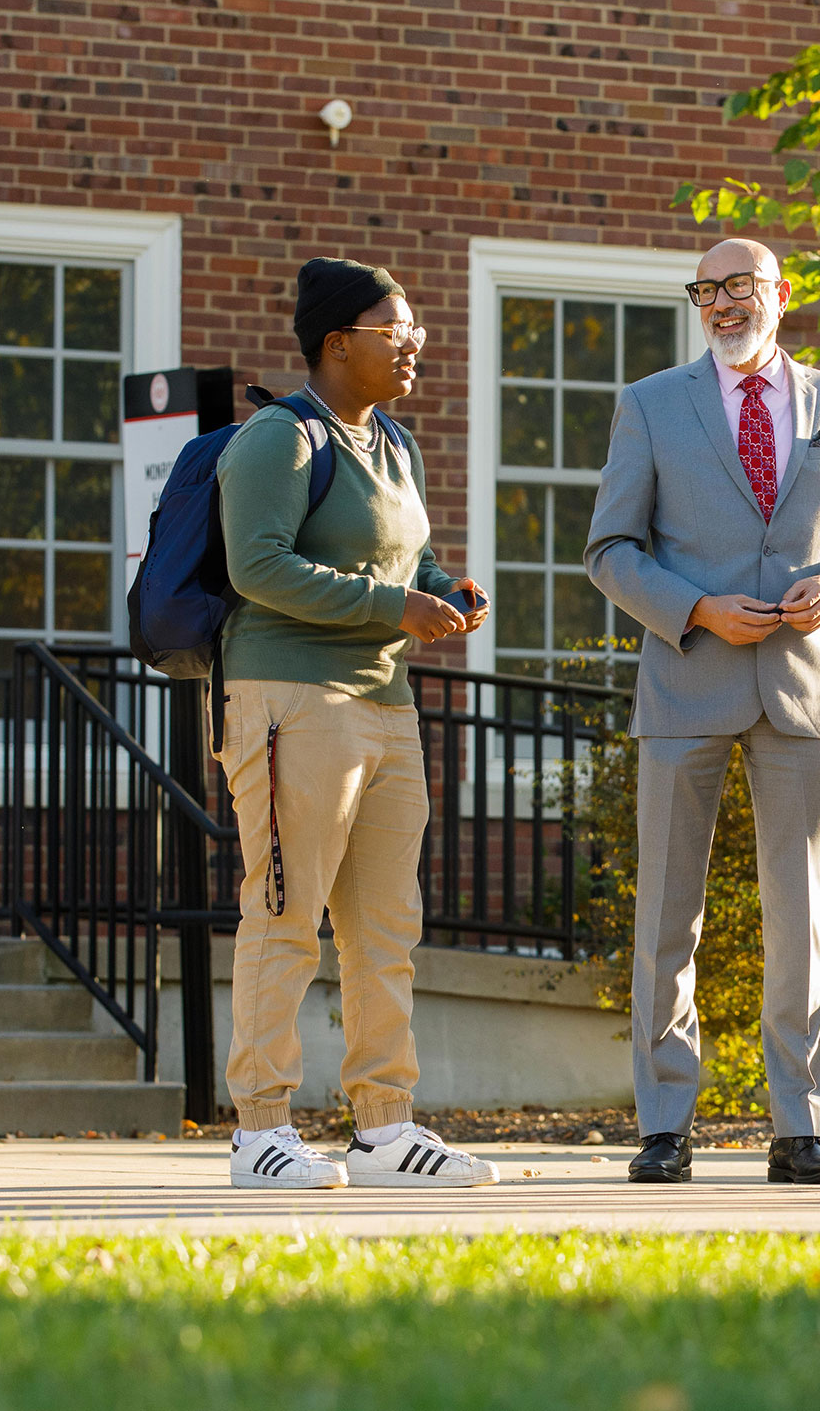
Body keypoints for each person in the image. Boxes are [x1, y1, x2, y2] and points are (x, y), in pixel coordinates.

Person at [584, 238, 820, 1186]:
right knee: (669, 917)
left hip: (801, 691)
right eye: (706, 291)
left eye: (739, 288)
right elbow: (610, 548)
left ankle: (800, 1127)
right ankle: (664, 1125)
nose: (721, 305)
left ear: (780, 295)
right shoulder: (650, 404)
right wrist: (697, 609)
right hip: (687, 682)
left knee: (799, 917)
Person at [214, 257, 501, 1190]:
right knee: (286, 913)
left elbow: (403, 563)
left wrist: (439, 590)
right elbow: (257, 568)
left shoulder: (395, 444)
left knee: (383, 928)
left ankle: (384, 1128)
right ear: (338, 344)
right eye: (396, 330)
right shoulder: (278, 438)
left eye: (414, 329)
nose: (415, 343)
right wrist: (394, 608)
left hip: (383, 704)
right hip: (289, 700)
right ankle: (260, 1128)